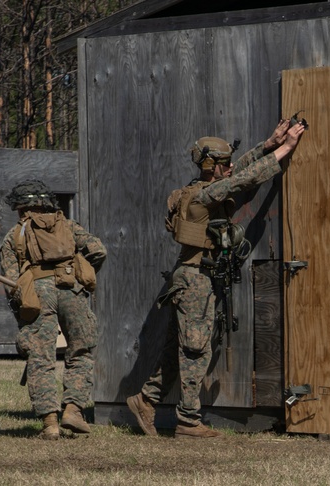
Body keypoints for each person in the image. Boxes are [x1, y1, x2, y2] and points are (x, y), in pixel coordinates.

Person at [127, 118, 306, 438]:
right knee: (195, 350)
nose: (229, 166)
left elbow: (237, 174)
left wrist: (268, 145)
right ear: (211, 166)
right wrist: (286, 149)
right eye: (224, 163)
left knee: (176, 349)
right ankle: (188, 421)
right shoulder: (202, 196)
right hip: (195, 279)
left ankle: (146, 399)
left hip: (194, 278)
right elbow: (242, 179)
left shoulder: (202, 190)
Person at [0, 180, 107, 440]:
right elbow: (98, 250)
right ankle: (73, 411)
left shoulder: (14, 235)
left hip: (37, 293)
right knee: (81, 351)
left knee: (40, 357)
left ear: (21, 207)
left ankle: (50, 424)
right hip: (73, 289)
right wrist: (81, 273)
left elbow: (12, 281)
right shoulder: (69, 226)